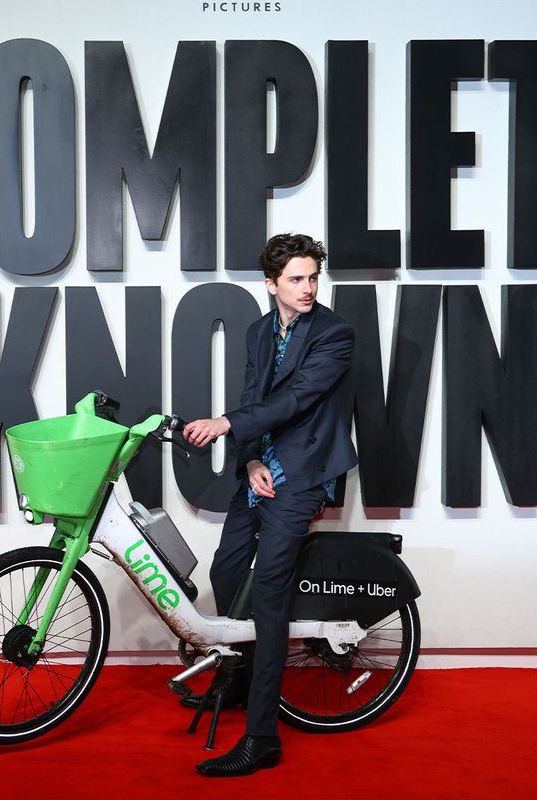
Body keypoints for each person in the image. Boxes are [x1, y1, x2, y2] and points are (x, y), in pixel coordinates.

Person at [181, 233, 358, 777]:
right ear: (271, 285)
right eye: (296, 279)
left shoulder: (335, 333)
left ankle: (263, 738)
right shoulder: (260, 330)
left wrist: (226, 425)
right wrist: (251, 460)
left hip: (304, 471)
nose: (308, 288)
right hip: (263, 467)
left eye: (313, 278)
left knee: (271, 598)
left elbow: (296, 397)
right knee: (227, 569)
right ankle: (235, 683)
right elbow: (257, 396)